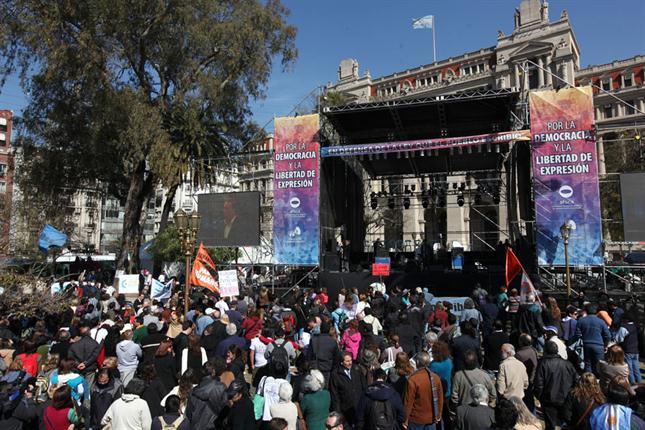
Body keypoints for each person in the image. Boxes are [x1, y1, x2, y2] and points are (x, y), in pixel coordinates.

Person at [533, 341, 578, 430]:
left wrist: (540, 397)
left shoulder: (543, 363)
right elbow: (576, 380)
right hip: (563, 399)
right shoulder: (567, 364)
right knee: (565, 424)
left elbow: (538, 384)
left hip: (550, 400)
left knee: (551, 426)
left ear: (545, 351)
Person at [403, 351, 444, 430]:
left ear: (417, 362)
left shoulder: (413, 380)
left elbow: (408, 402)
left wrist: (405, 420)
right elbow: (440, 398)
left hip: (416, 420)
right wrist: (438, 414)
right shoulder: (436, 378)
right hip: (431, 418)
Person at [185, 360, 228, 429]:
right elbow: (226, 410)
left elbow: (189, 414)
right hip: (213, 427)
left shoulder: (193, 391)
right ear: (213, 372)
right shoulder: (221, 387)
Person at [329, 351, 366, 426]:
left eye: (351, 360)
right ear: (341, 362)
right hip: (345, 409)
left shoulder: (357, 369)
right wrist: (338, 411)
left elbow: (364, 386)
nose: (350, 363)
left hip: (359, 406)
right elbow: (334, 395)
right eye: (347, 361)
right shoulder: (335, 374)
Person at [571, 303, 610, 374]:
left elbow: (577, 334)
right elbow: (607, 335)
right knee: (600, 365)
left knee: (587, 364)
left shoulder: (581, 320)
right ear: (596, 311)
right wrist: (605, 345)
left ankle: (588, 379)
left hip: (586, 344)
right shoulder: (601, 322)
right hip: (599, 345)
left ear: (586, 311)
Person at [67, 321, 101, 386]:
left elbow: (70, 357)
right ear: (90, 333)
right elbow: (94, 356)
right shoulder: (95, 344)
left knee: (78, 386)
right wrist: (85, 363)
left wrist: (78, 364)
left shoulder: (74, 345)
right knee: (88, 387)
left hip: (78, 368)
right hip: (89, 368)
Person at [613, 313, 642, 384]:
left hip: (627, 351)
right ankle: (640, 383)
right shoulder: (635, 326)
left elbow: (618, 339)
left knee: (629, 369)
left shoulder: (624, 328)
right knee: (636, 369)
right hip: (635, 351)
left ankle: (633, 384)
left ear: (626, 320)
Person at [117, 323, 143, 388]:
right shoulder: (135, 346)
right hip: (132, 368)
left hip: (121, 368)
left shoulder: (118, 345)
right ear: (132, 336)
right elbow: (140, 355)